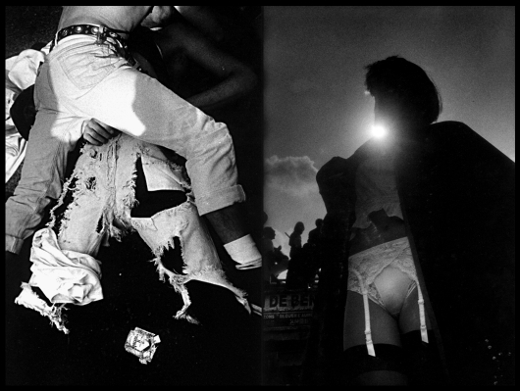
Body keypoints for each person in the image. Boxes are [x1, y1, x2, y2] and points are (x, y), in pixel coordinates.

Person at [6, 8, 262, 385]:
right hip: (88, 176)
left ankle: (237, 289)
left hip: (149, 165)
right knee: (68, 297)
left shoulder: (168, 38)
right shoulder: (73, 51)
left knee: (193, 286)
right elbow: (30, 109)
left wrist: (164, 112)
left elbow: (240, 71)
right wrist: (81, 123)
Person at [302, 56, 514, 386]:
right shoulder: (359, 157)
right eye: (376, 96)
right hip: (359, 276)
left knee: (433, 374)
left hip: (424, 272)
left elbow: (503, 192)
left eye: (387, 92)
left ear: (414, 94)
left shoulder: (450, 138)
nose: (380, 103)